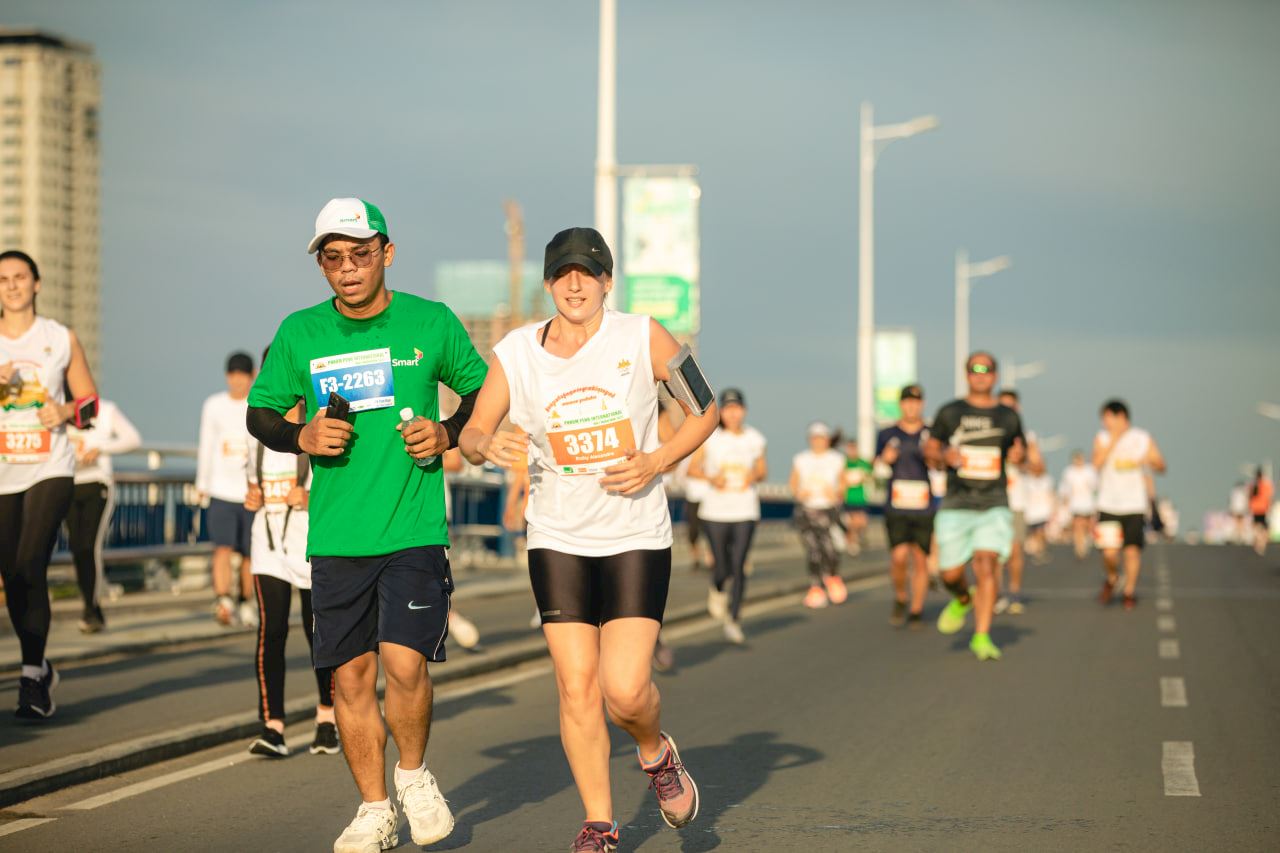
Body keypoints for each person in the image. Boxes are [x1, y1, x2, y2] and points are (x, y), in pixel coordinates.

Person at [460, 226, 717, 852]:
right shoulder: (517, 352)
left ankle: (655, 755)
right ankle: (599, 824)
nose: (575, 284)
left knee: (625, 691)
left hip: (633, 533)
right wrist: (486, 444)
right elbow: (471, 433)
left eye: (587, 272)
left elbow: (704, 408)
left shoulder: (642, 335)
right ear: (549, 284)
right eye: (562, 273)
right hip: (557, 536)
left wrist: (657, 461)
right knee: (576, 686)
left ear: (607, 281)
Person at [247, 198, 487, 852]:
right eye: (333, 257)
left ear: (386, 251)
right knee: (350, 678)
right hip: (335, 536)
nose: (347, 269)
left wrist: (448, 432)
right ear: (321, 263)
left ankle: (411, 773)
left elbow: (484, 391)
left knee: (405, 664)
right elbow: (261, 413)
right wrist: (301, 432)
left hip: (412, 527)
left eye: (359, 253)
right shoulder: (300, 332)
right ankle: (374, 806)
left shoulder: (430, 322)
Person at [1, 249, 99, 718]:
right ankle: (40, 666)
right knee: (12, 575)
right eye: (3, 279)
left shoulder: (58, 338)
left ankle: (29, 678)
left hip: (50, 466)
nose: (12, 285)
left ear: (36, 283)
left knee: (29, 561)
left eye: (20, 277)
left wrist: (64, 411)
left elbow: (90, 404)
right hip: (4, 471)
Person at [243, 393, 338, 759]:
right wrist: (251, 497)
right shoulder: (258, 437)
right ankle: (273, 726)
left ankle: (326, 719)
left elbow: (339, 491)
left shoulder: (317, 428)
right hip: (267, 547)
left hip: (309, 546)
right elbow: (251, 486)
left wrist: (310, 498)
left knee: (318, 632)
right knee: (271, 631)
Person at [925, 352, 1025, 661]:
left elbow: (1019, 451)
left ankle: (982, 636)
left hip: (993, 502)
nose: (980, 375)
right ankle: (961, 598)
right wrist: (944, 457)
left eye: (987, 370)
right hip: (957, 502)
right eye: (974, 369)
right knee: (950, 573)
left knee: (986, 564)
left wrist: (1020, 456)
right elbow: (930, 449)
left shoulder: (1008, 417)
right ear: (967, 374)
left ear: (995, 376)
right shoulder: (950, 412)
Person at [689, 388, 766, 645]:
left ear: (744, 410)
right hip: (715, 511)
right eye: (728, 408)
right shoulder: (710, 438)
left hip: (745, 509)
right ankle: (718, 588)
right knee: (721, 565)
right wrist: (712, 478)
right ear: (721, 411)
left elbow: (762, 470)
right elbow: (692, 469)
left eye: (737, 408)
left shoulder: (755, 438)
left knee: (739, 564)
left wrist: (751, 477)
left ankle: (734, 619)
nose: (733, 413)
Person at [65, 398, 141, 632]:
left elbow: (133, 439)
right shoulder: (58, 410)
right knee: (77, 547)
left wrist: (101, 448)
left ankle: (90, 607)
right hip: (67, 485)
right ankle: (91, 607)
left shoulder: (106, 410)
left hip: (97, 484)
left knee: (89, 546)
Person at [197, 351, 257, 627]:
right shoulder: (214, 405)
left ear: (252, 375)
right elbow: (206, 444)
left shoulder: (257, 403)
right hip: (221, 490)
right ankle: (223, 600)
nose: (237, 381)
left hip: (249, 491)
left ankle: (246, 602)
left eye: (242, 375)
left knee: (248, 554)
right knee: (222, 548)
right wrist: (202, 484)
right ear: (227, 376)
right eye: (233, 375)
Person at [1093, 399, 1167, 610]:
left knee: (1132, 551)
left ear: (1121, 417)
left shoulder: (1142, 438)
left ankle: (1129, 592)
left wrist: (1150, 461)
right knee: (1109, 552)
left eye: (1107, 418)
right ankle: (1113, 577)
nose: (1104, 422)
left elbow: (1161, 465)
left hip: (1134, 504)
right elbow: (1096, 464)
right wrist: (1114, 439)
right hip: (1108, 503)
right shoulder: (1102, 438)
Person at [875, 384, 935, 628]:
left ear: (922, 404)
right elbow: (876, 467)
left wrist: (932, 456)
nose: (912, 406)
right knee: (899, 557)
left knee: (921, 559)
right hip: (897, 505)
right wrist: (884, 460)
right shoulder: (887, 434)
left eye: (916, 402)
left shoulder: (930, 434)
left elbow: (941, 463)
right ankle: (901, 595)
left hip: (923, 505)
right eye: (907, 402)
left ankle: (917, 610)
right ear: (901, 405)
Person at [789, 421, 847, 609]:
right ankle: (816, 587)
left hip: (828, 510)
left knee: (829, 548)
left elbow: (844, 483)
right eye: (814, 438)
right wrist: (799, 493)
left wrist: (837, 494)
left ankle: (832, 576)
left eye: (821, 437)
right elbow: (793, 483)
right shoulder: (801, 459)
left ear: (827, 439)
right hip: (807, 510)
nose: (818, 441)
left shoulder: (836, 459)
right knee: (813, 550)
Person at [994, 389, 1041, 615]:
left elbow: (1039, 469)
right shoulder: (988, 433)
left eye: (1009, 407)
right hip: (991, 501)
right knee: (992, 554)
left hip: (1016, 502)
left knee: (1014, 552)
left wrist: (1021, 461)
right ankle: (994, 593)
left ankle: (1013, 593)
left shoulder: (1027, 437)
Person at [1059, 450, 1098, 560]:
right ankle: (1079, 547)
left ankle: (1084, 541)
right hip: (1075, 503)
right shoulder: (1069, 472)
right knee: (1077, 525)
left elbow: (1095, 486)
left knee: (1086, 524)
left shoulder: (1089, 470)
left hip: (1088, 503)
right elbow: (1065, 487)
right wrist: (1065, 501)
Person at [841, 438, 873, 554]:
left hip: (861, 497)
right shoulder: (843, 463)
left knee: (862, 522)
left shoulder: (863, 463)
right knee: (852, 522)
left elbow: (871, 474)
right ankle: (851, 542)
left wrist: (864, 478)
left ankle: (854, 538)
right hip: (848, 497)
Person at [1249, 467, 1273, 557]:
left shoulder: (1253, 485)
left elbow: (1250, 497)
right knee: (1264, 529)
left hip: (1255, 509)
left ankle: (1259, 544)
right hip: (1263, 509)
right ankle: (1261, 545)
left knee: (1258, 528)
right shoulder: (1265, 485)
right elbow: (1268, 496)